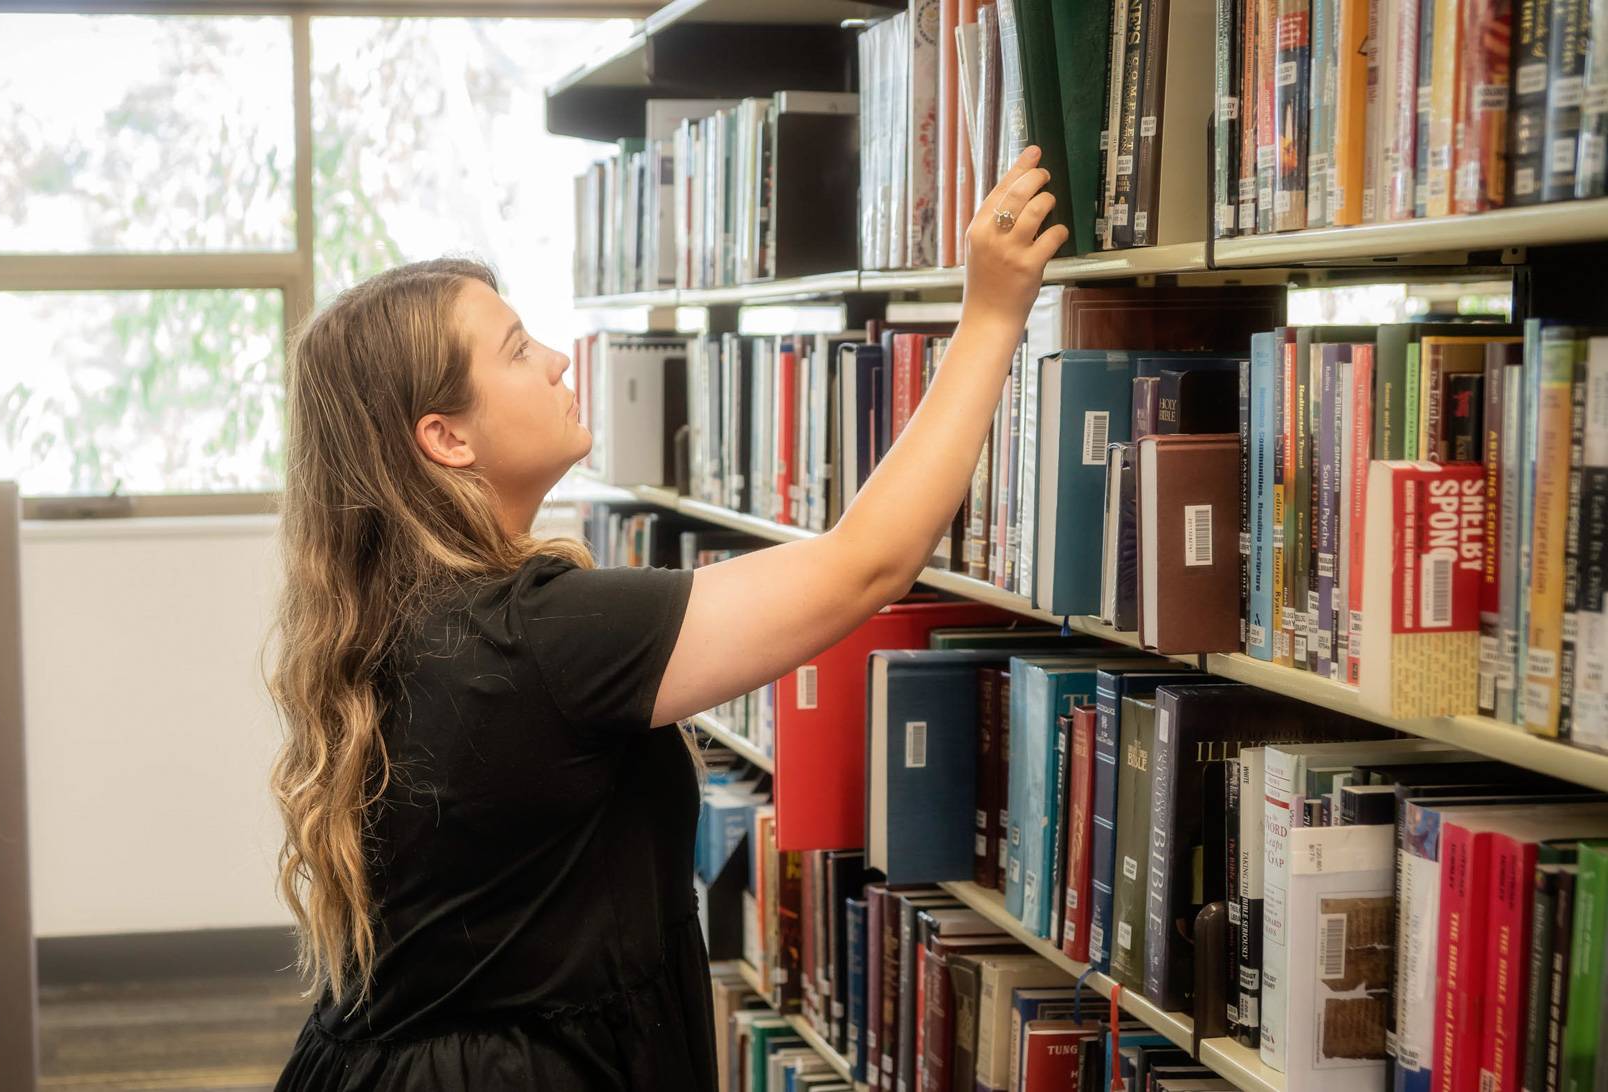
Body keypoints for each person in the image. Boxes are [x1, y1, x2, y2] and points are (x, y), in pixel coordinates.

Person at [269, 147, 1067, 1091]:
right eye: (519, 350)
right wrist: (991, 314)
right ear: (446, 438)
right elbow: (867, 566)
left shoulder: (413, 615)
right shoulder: (535, 637)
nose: (560, 359)